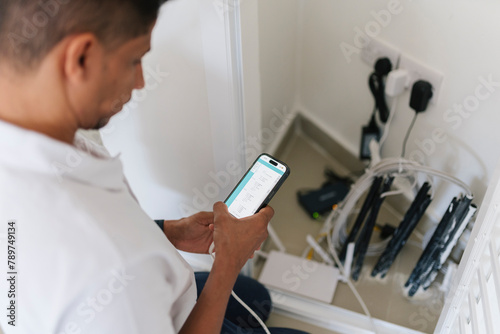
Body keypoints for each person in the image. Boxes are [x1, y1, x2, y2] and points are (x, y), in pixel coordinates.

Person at [0, 1, 308, 333]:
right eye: (134, 60)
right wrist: (228, 265)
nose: (140, 82)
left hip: (157, 295)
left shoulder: (37, 136)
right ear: (81, 58)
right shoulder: (109, 269)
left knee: (256, 296)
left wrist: (165, 231)